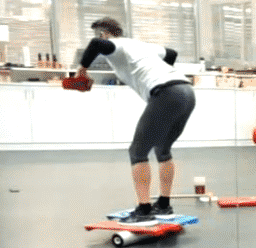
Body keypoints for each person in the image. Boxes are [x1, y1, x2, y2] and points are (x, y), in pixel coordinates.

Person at [76, 17, 196, 223]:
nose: (98, 37)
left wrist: (82, 69)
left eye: (100, 33)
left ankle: (144, 210)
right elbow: (172, 53)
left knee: (137, 152)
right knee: (162, 150)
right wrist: (159, 72)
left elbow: (96, 45)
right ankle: (164, 205)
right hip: (186, 91)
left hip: (166, 93)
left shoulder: (117, 45)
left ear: (104, 34)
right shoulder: (141, 46)